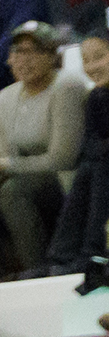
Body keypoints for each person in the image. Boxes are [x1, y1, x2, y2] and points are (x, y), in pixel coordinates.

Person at [0, 21, 90, 280]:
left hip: (67, 185)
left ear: (53, 56)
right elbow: (8, 160)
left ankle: (39, 274)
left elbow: (62, 158)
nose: (23, 59)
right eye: (17, 51)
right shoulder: (5, 98)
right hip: (26, 183)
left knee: (12, 191)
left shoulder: (67, 86)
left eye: (34, 51)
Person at [45, 31, 109, 277]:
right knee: (88, 168)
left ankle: (94, 253)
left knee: (101, 166)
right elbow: (92, 146)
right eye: (86, 59)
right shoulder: (97, 97)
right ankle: (62, 255)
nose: (91, 66)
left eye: (100, 57)